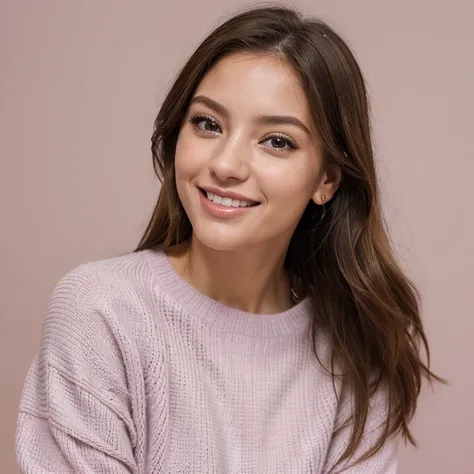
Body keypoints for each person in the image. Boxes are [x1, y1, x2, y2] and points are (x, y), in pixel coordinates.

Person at [15, 4, 443, 473]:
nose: (226, 165)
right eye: (208, 123)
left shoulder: (354, 348)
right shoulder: (100, 314)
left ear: (327, 179)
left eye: (277, 141)